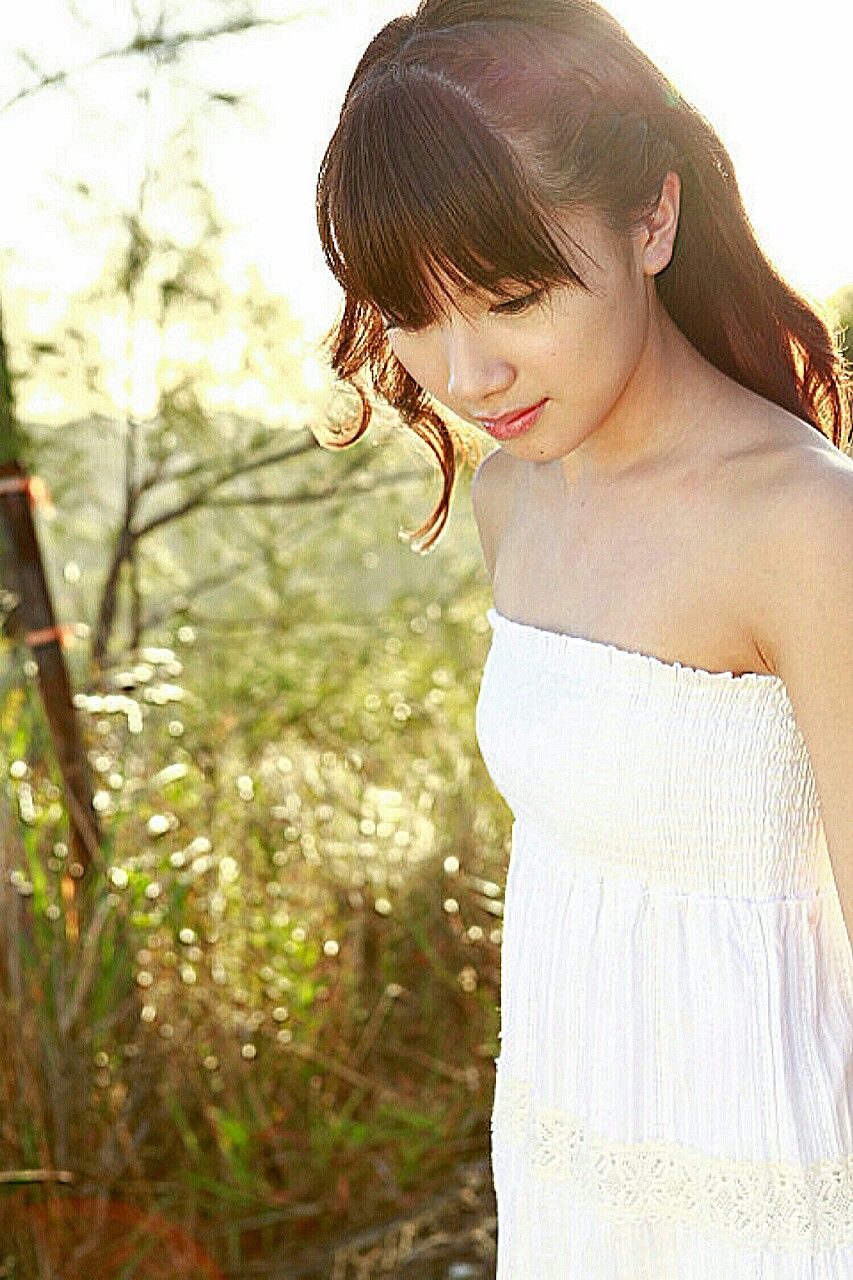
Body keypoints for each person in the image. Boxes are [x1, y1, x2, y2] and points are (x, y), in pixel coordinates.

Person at [315, 1, 853, 1274]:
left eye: (511, 297)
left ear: (652, 220)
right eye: (411, 311)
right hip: (572, 1154)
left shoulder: (801, 523)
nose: (467, 373)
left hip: (772, 1183)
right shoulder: (512, 500)